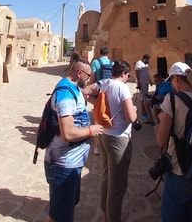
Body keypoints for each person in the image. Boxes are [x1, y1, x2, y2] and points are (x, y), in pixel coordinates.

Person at [44, 59, 104, 222]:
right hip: (63, 165)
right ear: (79, 73)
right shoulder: (65, 94)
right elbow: (68, 133)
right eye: (88, 76)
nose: (89, 79)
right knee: (61, 215)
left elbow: (85, 96)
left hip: (72, 163)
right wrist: (91, 130)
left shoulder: (74, 88)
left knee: (64, 209)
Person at [155, 62, 192, 222]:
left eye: (172, 80)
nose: (172, 84)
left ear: (177, 79)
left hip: (179, 169)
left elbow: (161, 140)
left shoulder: (172, 100)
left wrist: (159, 124)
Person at [87, 60, 138, 221]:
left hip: (105, 135)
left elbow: (88, 94)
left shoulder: (105, 84)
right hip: (119, 138)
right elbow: (131, 117)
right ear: (123, 73)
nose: (128, 77)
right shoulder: (123, 87)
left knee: (106, 177)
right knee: (117, 185)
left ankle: (105, 215)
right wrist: (135, 110)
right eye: (128, 75)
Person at [90, 46, 113, 155]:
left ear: (100, 53)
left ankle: (97, 146)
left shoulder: (96, 62)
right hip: (109, 91)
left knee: (97, 115)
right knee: (108, 114)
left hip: (99, 91)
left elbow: (93, 76)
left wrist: (91, 86)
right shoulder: (112, 63)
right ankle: (108, 143)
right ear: (108, 54)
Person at [134, 54, 152, 122]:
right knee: (143, 98)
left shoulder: (146, 65)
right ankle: (143, 112)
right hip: (142, 83)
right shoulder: (139, 63)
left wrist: (150, 80)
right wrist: (139, 82)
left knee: (145, 97)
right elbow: (137, 73)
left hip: (146, 82)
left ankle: (144, 111)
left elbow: (147, 73)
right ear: (144, 59)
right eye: (148, 60)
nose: (149, 61)